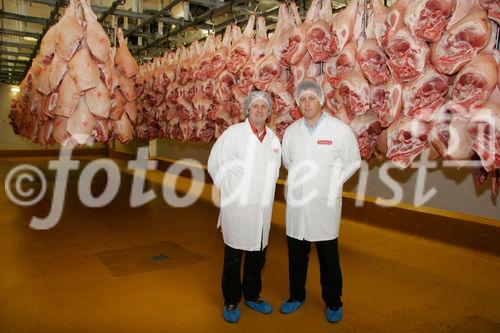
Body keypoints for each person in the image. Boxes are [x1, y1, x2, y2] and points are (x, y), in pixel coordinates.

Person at [280, 80, 361, 323]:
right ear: (297, 103)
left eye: (311, 99)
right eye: (302, 99)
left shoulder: (339, 130)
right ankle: (296, 296)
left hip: (325, 204)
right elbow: (287, 161)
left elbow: (354, 161)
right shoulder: (292, 131)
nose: (307, 103)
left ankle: (334, 302)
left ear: (321, 100)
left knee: (328, 259)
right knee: (296, 256)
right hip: (297, 204)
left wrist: (335, 182)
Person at [208, 91, 282, 323]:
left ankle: (252, 295)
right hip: (237, 208)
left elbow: (275, 170)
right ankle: (231, 300)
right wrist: (228, 190)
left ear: (269, 112)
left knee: (257, 255)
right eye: (255, 106)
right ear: (247, 109)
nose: (259, 110)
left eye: (264, 107)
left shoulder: (273, 139)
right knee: (233, 257)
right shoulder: (233, 134)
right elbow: (214, 163)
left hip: (262, 208)